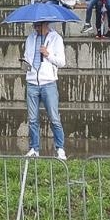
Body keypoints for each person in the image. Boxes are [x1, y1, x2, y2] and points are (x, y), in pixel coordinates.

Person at [21, 18, 67, 159]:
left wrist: (48, 54)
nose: (36, 28)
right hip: (32, 82)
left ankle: (60, 149)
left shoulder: (56, 38)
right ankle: (34, 148)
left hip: (48, 82)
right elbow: (27, 56)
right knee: (33, 119)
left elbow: (62, 62)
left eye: (38, 25)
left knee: (54, 118)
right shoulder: (30, 38)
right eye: (34, 25)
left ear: (46, 24)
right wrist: (25, 63)